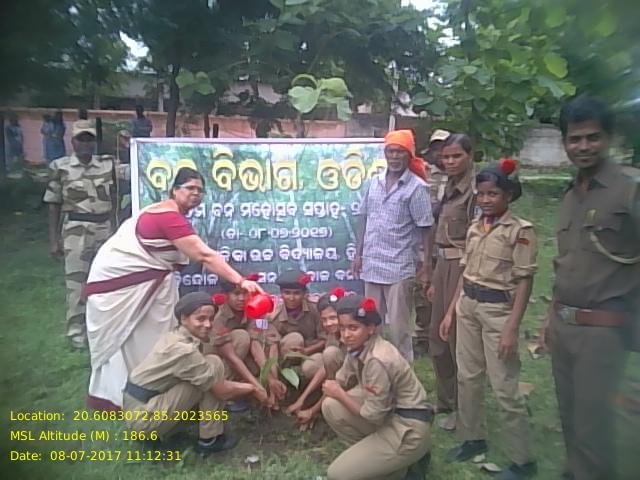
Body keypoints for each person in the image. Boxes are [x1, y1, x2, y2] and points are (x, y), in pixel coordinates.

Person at [83, 167, 264, 410]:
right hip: (123, 287)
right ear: (174, 190)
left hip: (149, 285)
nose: (196, 193)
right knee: (132, 338)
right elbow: (205, 255)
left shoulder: (168, 214)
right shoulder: (167, 217)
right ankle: (123, 396)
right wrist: (241, 281)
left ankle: (149, 392)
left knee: (151, 337)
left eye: (200, 190)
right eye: (190, 188)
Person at [540, 96, 640, 480]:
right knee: (570, 418)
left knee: (593, 427)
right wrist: (550, 319)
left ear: (609, 138)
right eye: (575, 138)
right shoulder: (571, 194)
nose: (583, 146)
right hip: (564, 324)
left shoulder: (628, 190)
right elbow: (566, 263)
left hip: (603, 330)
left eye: (592, 137)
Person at [441, 159, 537, 480]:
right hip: (469, 304)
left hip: (497, 312)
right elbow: (466, 272)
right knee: (468, 377)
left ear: (508, 195)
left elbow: (524, 281)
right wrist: (451, 310)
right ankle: (473, 438)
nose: (485, 200)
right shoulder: (475, 226)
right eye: (481, 194)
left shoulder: (519, 231)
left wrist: (511, 328)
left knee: (504, 385)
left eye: (493, 194)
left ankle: (522, 460)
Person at [124, 292, 270, 455]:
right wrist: (254, 389)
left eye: (210, 319)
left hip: (144, 408)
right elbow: (221, 390)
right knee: (213, 368)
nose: (207, 324)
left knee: (209, 372)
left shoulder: (177, 335)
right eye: (200, 319)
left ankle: (167, 431)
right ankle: (210, 439)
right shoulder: (183, 350)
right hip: (143, 418)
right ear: (183, 319)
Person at [321, 294, 432, 480]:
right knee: (330, 405)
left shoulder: (377, 359)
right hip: (390, 413)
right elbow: (340, 380)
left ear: (371, 328)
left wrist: (339, 394)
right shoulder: (358, 345)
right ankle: (381, 461)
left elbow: (373, 415)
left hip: (407, 428)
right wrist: (319, 403)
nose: (346, 335)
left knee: (336, 474)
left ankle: (402, 467)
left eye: (353, 328)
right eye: (342, 328)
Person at [351, 129, 434, 362]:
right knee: (370, 324)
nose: (395, 157)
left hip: (399, 266)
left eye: (400, 152)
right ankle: (374, 369)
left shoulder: (416, 188)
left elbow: (426, 228)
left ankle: (403, 375)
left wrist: (426, 265)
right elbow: (364, 218)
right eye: (391, 151)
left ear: (409, 155)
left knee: (399, 329)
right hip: (372, 263)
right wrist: (358, 255)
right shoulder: (375, 182)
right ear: (385, 154)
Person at [43, 120, 117, 350]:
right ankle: (76, 332)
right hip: (76, 230)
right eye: (81, 139)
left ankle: (103, 327)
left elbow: (116, 195)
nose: (85, 143)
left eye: (89, 139)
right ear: (73, 141)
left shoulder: (108, 165)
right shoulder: (61, 167)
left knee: (106, 280)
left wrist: (116, 226)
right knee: (77, 282)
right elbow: (53, 203)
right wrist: (54, 240)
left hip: (104, 228)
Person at [426, 133, 476, 432]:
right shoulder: (447, 186)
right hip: (443, 264)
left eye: (456, 156)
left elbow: (476, 242)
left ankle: (463, 407)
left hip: (463, 267)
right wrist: (432, 274)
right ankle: (445, 400)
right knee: (437, 337)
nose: (450, 161)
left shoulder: (475, 192)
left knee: (457, 338)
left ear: (470, 156)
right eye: (446, 157)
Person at [207, 275, 286, 406]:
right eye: (236, 294)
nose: (242, 298)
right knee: (242, 336)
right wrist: (257, 387)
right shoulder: (219, 317)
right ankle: (225, 391)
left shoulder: (252, 309)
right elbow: (231, 357)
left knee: (265, 335)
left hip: (240, 356)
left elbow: (261, 339)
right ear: (226, 295)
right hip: (218, 360)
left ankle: (271, 392)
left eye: (245, 293)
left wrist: (272, 379)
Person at [285, 288, 347, 429]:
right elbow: (325, 368)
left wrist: (312, 411)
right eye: (324, 320)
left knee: (330, 354)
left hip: (358, 382)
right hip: (338, 375)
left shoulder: (350, 337)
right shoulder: (333, 334)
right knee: (319, 362)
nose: (328, 323)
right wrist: (302, 399)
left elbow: (338, 380)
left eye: (333, 318)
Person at [414, 129, 451, 357]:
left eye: (443, 148)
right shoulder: (424, 174)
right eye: (436, 148)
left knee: (447, 291)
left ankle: (444, 334)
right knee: (423, 291)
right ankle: (422, 336)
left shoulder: (462, 177)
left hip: (451, 245)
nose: (440, 153)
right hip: (426, 243)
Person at [268, 269, 326, 381]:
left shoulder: (315, 310)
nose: (292, 298)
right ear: (281, 294)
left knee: (312, 366)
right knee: (295, 338)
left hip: (311, 354)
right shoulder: (274, 316)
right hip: (286, 358)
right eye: (287, 293)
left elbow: (325, 339)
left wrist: (306, 351)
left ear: (304, 293)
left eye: (296, 293)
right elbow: (272, 347)